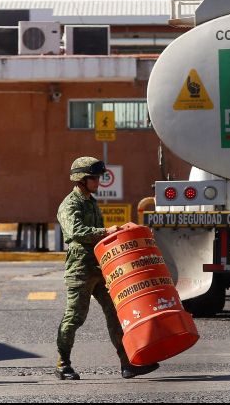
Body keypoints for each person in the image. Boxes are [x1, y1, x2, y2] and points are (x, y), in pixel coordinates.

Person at [55, 156, 159, 380]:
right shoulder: (70, 204)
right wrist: (107, 232)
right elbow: (76, 232)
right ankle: (63, 363)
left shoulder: (91, 201)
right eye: (94, 178)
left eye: (99, 177)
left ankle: (128, 363)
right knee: (75, 317)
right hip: (80, 270)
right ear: (82, 179)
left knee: (116, 314)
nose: (99, 182)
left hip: (100, 267)